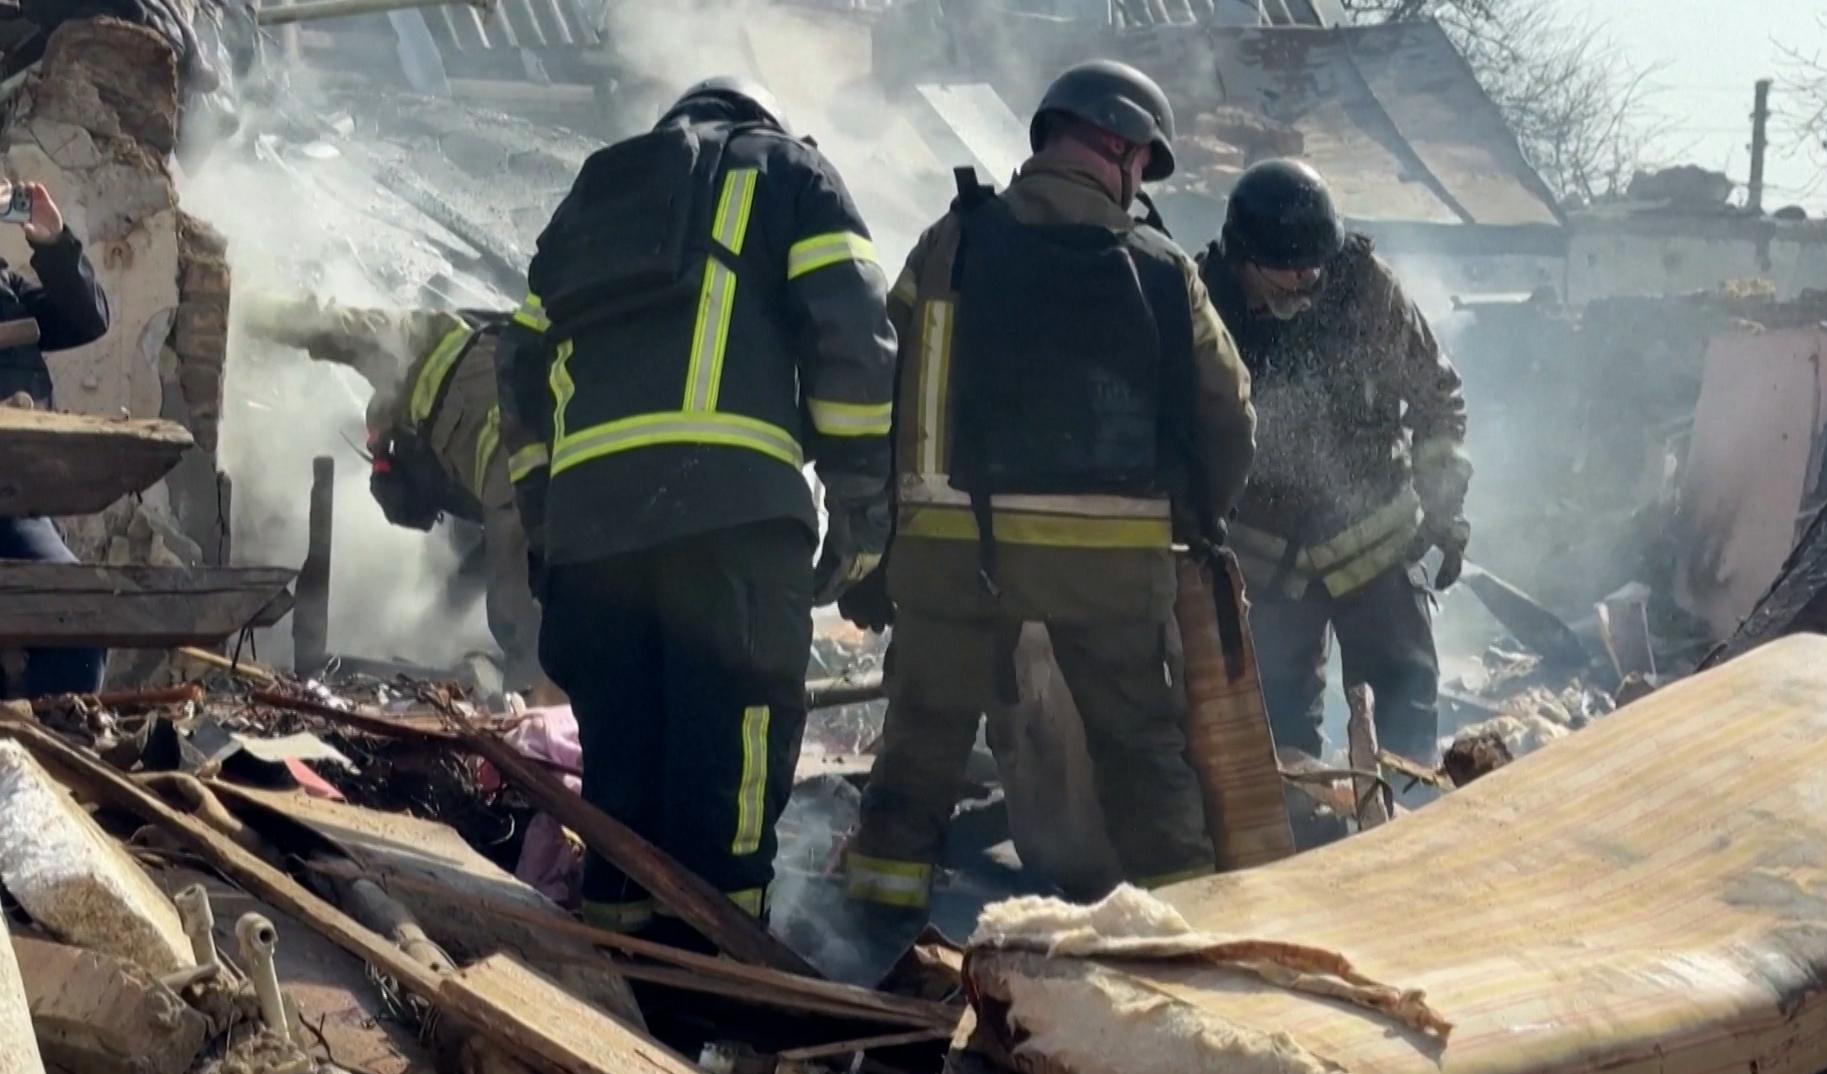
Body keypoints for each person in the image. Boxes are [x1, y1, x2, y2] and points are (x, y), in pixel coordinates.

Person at [841, 59, 1256, 913]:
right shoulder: (1164, 270)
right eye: (1142, 162)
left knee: (920, 748)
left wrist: (884, 543)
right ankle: (1194, 933)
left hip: (956, 557)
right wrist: (1195, 520)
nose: (1139, 182)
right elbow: (1230, 417)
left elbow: (888, 384)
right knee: (1143, 755)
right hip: (1109, 567)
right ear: (1119, 149)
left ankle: (869, 940)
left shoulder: (952, 241)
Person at [496, 77, 896, 938]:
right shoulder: (790, 174)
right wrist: (861, 507)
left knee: (622, 783)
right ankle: (714, 991)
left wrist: (546, 521)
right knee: (732, 773)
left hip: (593, 542)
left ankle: (622, 994)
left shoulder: (590, 202)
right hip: (731, 530)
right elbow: (855, 349)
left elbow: (520, 367)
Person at [1196, 158, 1470, 783]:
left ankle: (1407, 834)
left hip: (1375, 539)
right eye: (1287, 274)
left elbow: (1437, 398)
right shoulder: (1202, 298)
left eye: (1315, 267)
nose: (1306, 282)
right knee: (1274, 720)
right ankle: (1301, 846)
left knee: (1404, 700)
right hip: (1264, 561)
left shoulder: (1364, 287)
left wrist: (1444, 508)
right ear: (1243, 259)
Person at [235, 295, 544, 690]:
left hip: (528, 462)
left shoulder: (415, 347)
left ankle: (542, 728)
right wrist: (436, 629)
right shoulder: (454, 475)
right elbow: (477, 564)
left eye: (381, 449)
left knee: (515, 612)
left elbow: (341, 326)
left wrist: (260, 315)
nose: (379, 451)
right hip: (555, 475)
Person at [0, 182, 112, 699]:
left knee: (78, 605)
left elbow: (86, 319)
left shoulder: (7, 292)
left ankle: (53, 751)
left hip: (13, 508)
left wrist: (53, 244)